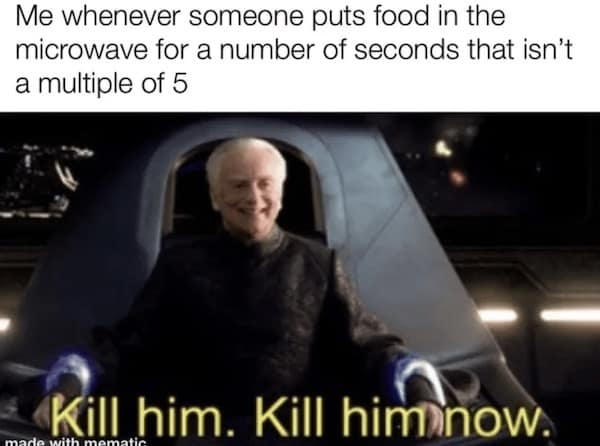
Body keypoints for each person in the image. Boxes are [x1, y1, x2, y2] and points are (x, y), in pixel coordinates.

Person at [30, 138, 446, 442]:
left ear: (281, 193)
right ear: (215, 197)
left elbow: (369, 345)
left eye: (265, 184)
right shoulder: (179, 264)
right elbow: (126, 345)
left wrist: (420, 390)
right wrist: (69, 386)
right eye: (238, 185)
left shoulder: (320, 263)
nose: (254, 197)